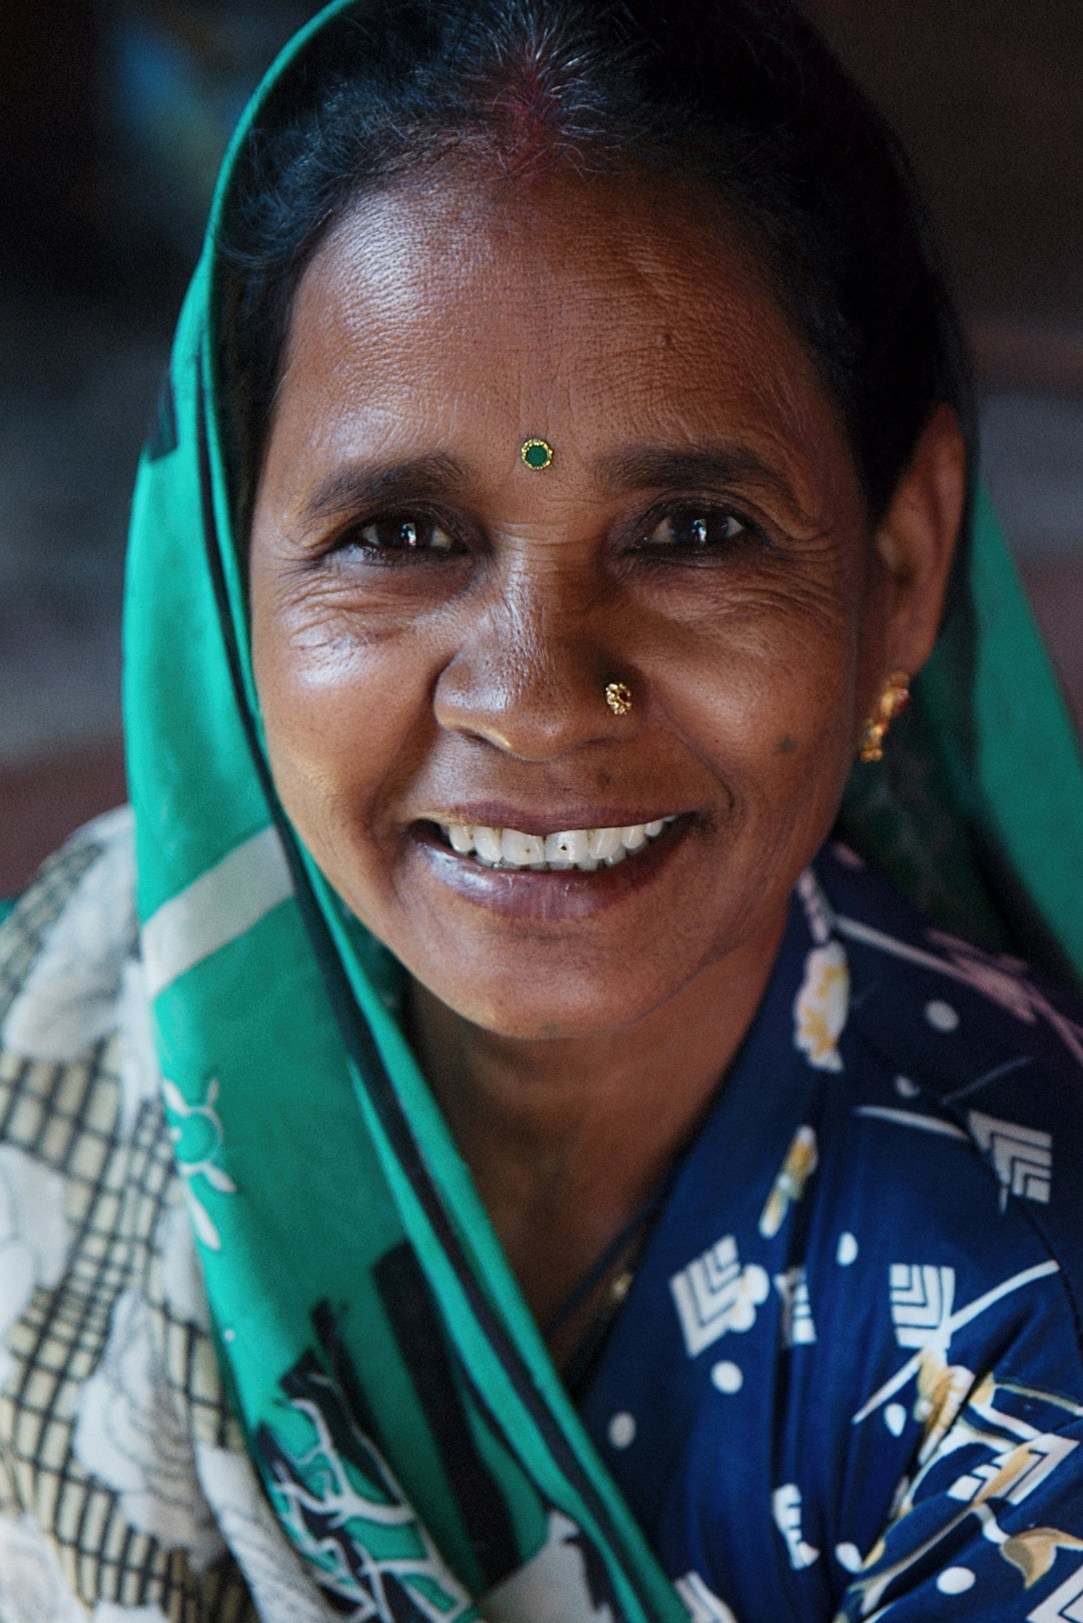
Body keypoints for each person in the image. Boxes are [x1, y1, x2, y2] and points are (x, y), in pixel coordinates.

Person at [3, 0, 1083, 1617]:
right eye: (399, 532)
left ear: (902, 572)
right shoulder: (82, 1011)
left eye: (695, 530)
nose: (536, 696)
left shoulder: (1019, 1314)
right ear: (229, 574)